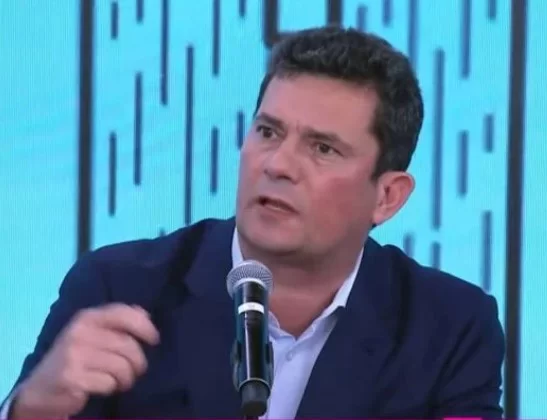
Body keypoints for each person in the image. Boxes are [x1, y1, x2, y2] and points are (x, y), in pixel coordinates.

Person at [1, 26, 504, 419]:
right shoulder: (120, 289)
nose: (278, 164)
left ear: (387, 197)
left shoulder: (450, 328)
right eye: (268, 132)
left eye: (322, 148)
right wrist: (33, 409)